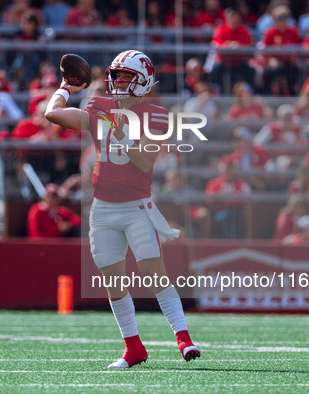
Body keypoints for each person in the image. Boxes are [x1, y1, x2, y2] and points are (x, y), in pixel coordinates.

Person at [45, 49, 200, 368]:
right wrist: (65, 87)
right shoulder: (99, 106)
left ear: (142, 81)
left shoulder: (156, 115)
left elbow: (144, 159)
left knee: (153, 273)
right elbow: (54, 114)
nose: (116, 81)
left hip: (136, 206)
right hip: (102, 209)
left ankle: (183, 338)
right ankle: (133, 349)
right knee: (113, 281)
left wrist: (118, 131)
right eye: (114, 75)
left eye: (124, 76)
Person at [205, 157, 251, 238]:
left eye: (231, 169)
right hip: (219, 213)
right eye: (227, 169)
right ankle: (231, 242)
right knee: (229, 216)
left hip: (238, 211)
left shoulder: (241, 183)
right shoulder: (214, 183)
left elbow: (247, 198)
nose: (229, 172)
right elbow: (209, 199)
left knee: (237, 215)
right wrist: (222, 195)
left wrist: (231, 198)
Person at [260, 5, 301, 95]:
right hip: (274, 63)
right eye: (279, 18)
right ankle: (271, 95)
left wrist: (294, 57)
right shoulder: (270, 32)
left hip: (290, 62)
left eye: (285, 18)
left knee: (296, 69)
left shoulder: (293, 32)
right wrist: (270, 59)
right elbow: (264, 50)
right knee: (272, 70)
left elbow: (297, 48)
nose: (282, 21)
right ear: (275, 20)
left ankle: (292, 94)